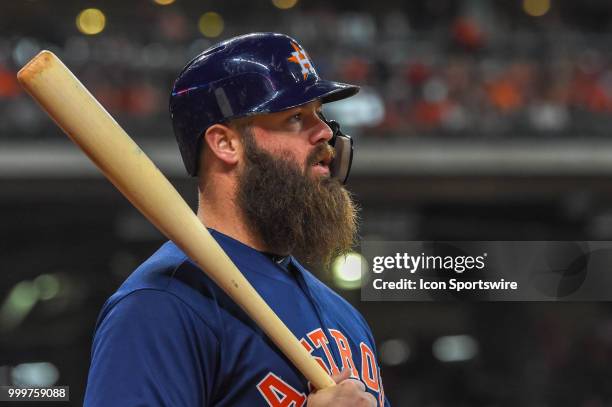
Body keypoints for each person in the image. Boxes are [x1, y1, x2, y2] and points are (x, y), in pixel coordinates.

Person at [84, 32, 389, 407]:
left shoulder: (343, 314)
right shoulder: (161, 304)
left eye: (320, 114)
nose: (325, 131)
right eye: (296, 117)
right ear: (225, 144)